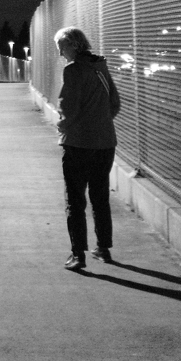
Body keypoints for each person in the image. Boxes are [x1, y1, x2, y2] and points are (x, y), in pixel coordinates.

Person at [54, 26, 120, 270]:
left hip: (78, 143)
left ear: (73, 45)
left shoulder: (73, 70)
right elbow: (115, 103)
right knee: (100, 197)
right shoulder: (100, 67)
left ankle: (77, 254)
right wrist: (99, 122)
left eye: (61, 47)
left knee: (75, 200)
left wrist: (62, 127)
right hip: (105, 143)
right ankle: (103, 248)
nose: (60, 53)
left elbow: (68, 107)